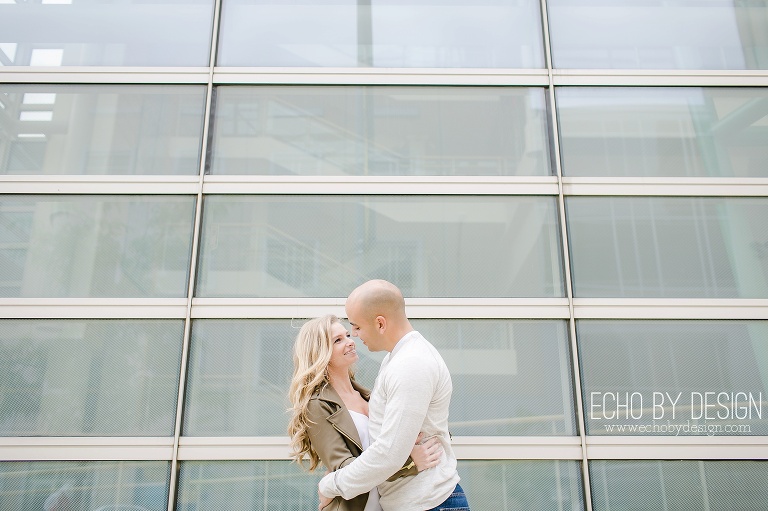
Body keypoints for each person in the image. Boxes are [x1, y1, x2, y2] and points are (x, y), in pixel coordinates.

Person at [318, 279, 470, 511]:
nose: (354, 335)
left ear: (380, 323)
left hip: (429, 504)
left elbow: (388, 455)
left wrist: (329, 485)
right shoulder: (397, 359)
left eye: (357, 327)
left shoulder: (411, 364)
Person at [289, 314, 443, 511]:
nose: (350, 342)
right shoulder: (317, 405)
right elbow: (345, 468)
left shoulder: (369, 396)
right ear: (320, 352)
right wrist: (408, 461)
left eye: (347, 335)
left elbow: (389, 443)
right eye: (338, 340)